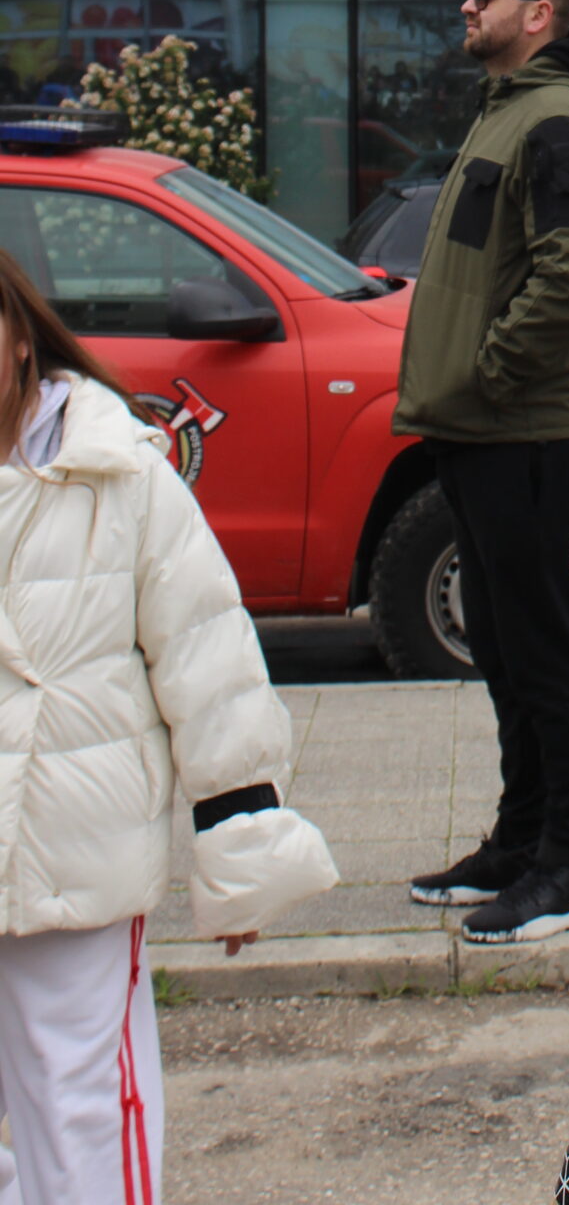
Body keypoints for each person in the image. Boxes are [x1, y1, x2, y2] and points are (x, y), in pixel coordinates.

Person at [0, 248, 338, 1201]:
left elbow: (207, 661)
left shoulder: (120, 473)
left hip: (74, 843)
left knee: (81, 1118)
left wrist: (244, 850)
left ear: (20, 338)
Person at [395, 0, 569, 946]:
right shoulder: (505, 111)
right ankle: (521, 840)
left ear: (539, 14)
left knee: (546, 651)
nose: (467, 5)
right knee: (504, 649)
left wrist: (490, 371)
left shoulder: (557, 117)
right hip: (481, 431)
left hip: (525, 432)